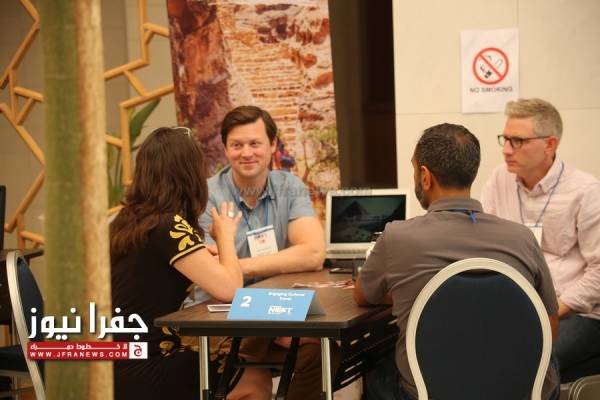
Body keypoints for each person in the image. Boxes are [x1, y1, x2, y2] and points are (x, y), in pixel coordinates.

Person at [353, 123, 560, 400]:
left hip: (427, 393)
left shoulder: (396, 237)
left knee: (375, 367)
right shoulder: (522, 237)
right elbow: (549, 326)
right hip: (518, 392)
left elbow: (363, 295)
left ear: (425, 176)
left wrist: (406, 293)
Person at [110, 127, 272, 400]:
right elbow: (230, 290)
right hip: (147, 367)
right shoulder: (169, 224)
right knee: (256, 379)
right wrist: (225, 237)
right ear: (189, 174)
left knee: (239, 358)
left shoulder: (127, 221)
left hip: (116, 363)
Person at [198, 105, 329, 400]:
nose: (246, 153)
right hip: (222, 316)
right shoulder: (207, 196)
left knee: (321, 351)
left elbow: (312, 253)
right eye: (237, 145)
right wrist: (279, 263)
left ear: (272, 145)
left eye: (255, 143)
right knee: (253, 376)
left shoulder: (289, 186)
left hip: (273, 311)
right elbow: (210, 274)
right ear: (225, 149)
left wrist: (237, 267)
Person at [481, 98, 600, 380]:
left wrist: (551, 310)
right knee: (468, 353)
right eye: (505, 139)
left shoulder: (586, 192)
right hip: (513, 308)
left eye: (518, 141)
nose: (506, 150)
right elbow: (483, 243)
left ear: (550, 144)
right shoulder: (499, 180)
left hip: (573, 312)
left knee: (525, 361)